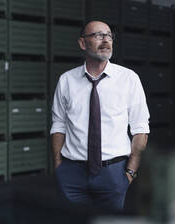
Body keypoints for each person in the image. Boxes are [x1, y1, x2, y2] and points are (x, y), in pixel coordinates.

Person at [50, 20, 150, 210]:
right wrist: (58, 165)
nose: (105, 40)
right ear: (82, 43)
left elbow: (140, 129)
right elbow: (58, 125)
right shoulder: (66, 81)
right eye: (98, 35)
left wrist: (130, 171)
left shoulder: (129, 79)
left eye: (109, 35)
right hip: (72, 173)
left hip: (114, 173)